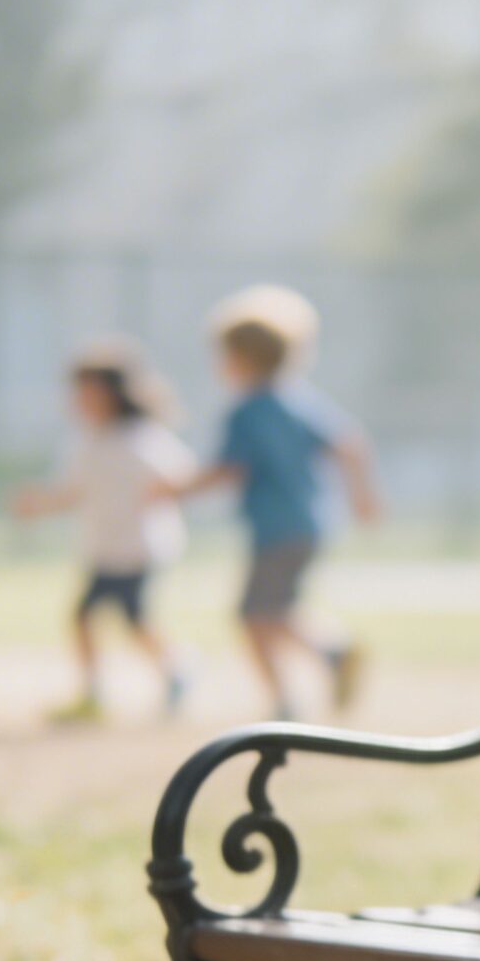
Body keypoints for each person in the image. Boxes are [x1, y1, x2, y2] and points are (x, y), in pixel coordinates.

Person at [165, 285, 384, 720]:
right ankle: (328, 658)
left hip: (277, 527)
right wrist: (363, 495)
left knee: (253, 614)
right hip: (311, 523)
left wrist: (176, 489)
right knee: (272, 610)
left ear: (239, 358)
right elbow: (351, 445)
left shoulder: (247, 410)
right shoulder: (300, 401)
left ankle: (293, 693)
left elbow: (230, 469)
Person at [12, 338, 194, 722]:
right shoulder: (86, 442)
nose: (82, 399)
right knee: (84, 616)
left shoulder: (142, 438)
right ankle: (93, 691)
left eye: (90, 391)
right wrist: (39, 504)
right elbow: (73, 492)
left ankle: (178, 669)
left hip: (139, 549)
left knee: (133, 619)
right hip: (103, 549)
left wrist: (158, 496)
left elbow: (179, 478)